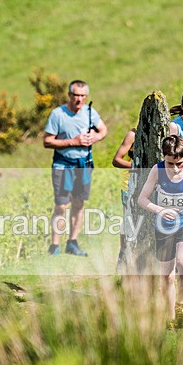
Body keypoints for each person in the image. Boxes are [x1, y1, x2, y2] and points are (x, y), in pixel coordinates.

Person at [138, 136, 183, 329]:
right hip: (164, 225)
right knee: (167, 276)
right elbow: (142, 199)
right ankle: (170, 315)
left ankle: (182, 305)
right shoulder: (158, 170)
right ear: (164, 157)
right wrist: (160, 210)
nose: (176, 168)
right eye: (170, 163)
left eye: (180, 163)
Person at [44, 80, 108, 256]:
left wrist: (94, 137)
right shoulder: (58, 114)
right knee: (61, 205)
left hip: (84, 164)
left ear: (86, 96)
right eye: (76, 95)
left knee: (79, 203)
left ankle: (72, 243)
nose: (79, 99)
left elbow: (103, 130)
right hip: (63, 164)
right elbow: (47, 141)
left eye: (82, 96)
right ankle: (54, 246)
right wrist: (73, 141)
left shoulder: (89, 112)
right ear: (69, 95)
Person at [111, 126, 136, 272]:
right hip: (129, 185)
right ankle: (123, 256)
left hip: (151, 184)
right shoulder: (132, 134)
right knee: (129, 221)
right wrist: (137, 166)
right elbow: (116, 160)